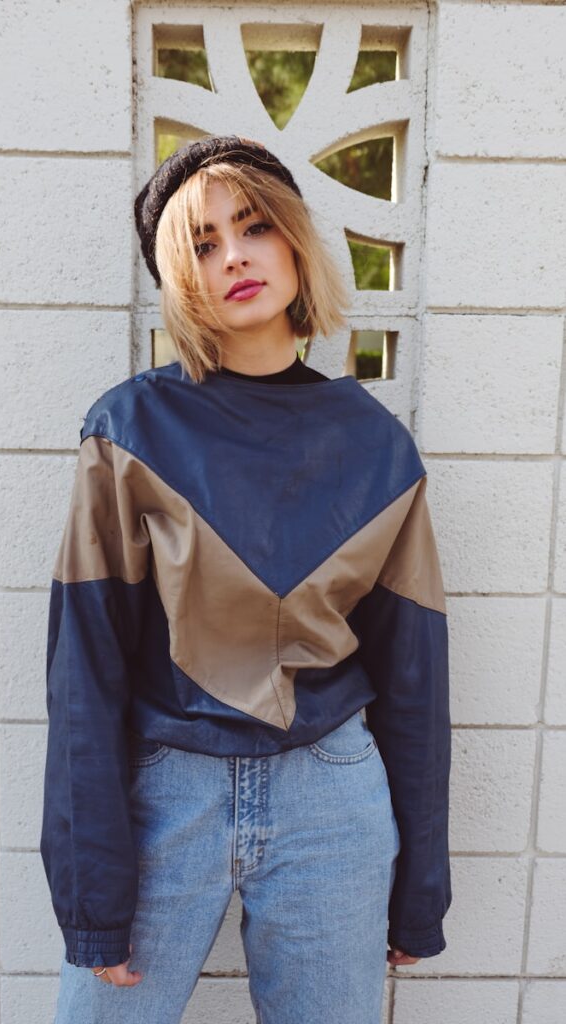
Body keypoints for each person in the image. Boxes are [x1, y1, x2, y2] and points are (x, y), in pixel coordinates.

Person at [40, 134, 452, 1024]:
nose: (233, 255)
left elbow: (415, 676)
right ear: (178, 278)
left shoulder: (376, 445)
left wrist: (421, 887)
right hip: (166, 794)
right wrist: (91, 894)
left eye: (254, 226)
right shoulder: (128, 429)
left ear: (294, 241)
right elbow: (84, 671)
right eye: (202, 243)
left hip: (332, 794)